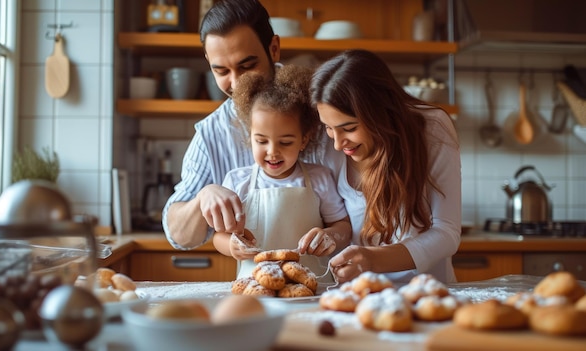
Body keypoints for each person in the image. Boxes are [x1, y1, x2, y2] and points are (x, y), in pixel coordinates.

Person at [162, 0, 334, 250]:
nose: (236, 83)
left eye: (247, 66)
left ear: (273, 48)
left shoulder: (323, 113)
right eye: (221, 71)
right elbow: (178, 236)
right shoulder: (212, 133)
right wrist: (203, 197)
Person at [310, 49, 462, 284]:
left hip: (426, 294)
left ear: (380, 113)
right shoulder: (327, 144)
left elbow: (446, 233)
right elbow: (341, 222)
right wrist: (330, 235)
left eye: (349, 128)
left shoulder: (431, 128)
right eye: (329, 128)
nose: (338, 143)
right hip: (359, 296)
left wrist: (372, 259)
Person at [212, 64, 352, 279]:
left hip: (311, 285)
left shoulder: (319, 178)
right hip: (255, 285)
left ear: (303, 140)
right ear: (250, 137)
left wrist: (330, 236)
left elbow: (343, 227)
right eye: (261, 141)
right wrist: (231, 246)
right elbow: (218, 236)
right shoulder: (238, 181)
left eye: (285, 142)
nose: (272, 152)